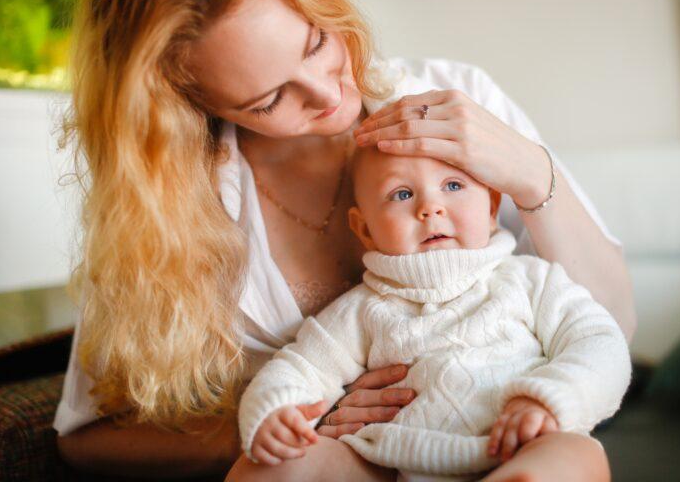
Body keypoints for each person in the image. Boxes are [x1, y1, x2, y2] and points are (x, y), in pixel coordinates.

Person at [55, 0, 635, 480]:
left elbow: (606, 327)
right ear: (190, 106)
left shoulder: (456, 102)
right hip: (364, 453)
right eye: (268, 99)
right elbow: (86, 437)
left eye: (316, 44)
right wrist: (269, 425)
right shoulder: (165, 209)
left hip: (513, 435)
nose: (330, 93)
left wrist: (534, 174)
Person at [232, 146, 632, 481]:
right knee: (266, 470)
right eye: (402, 194)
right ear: (365, 229)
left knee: (572, 458)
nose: (430, 207)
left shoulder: (531, 279)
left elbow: (599, 344)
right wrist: (277, 410)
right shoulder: (362, 307)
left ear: (492, 205)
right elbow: (302, 366)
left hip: (518, 445)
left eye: (453, 186)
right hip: (390, 461)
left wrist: (550, 400)